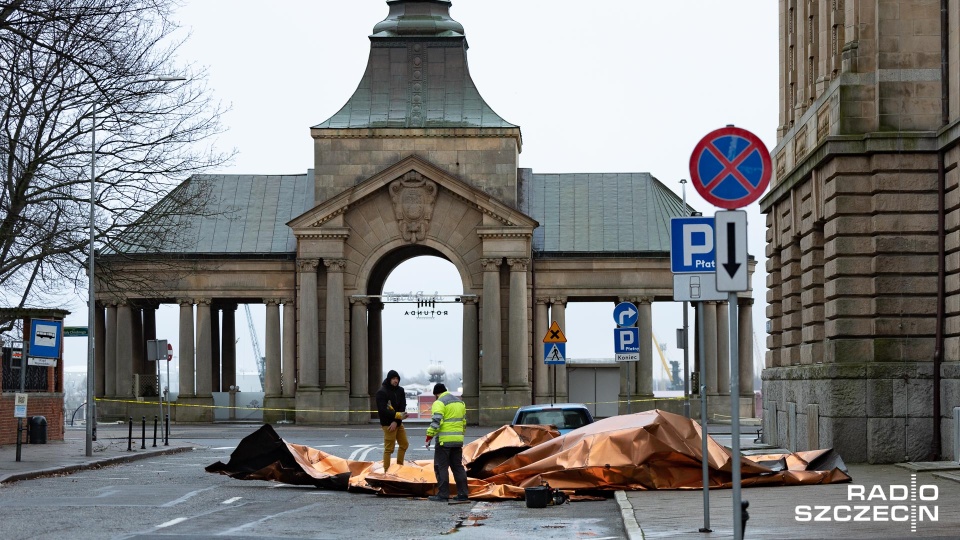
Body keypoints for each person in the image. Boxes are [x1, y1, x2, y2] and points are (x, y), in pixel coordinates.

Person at [425, 383, 469, 503]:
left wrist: (429, 437)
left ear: (436, 394)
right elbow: (464, 422)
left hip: (444, 441)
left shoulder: (439, 402)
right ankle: (463, 494)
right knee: (458, 467)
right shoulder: (460, 402)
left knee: (441, 467)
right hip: (458, 440)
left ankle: (443, 494)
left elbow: (436, 421)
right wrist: (460, 436)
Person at [375, 369, 409, 471]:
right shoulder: (382, 392)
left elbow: (402, 407)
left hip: (397, 423)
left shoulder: (400, 390)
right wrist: (396, 417)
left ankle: (399, 467)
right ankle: (386, 471)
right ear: (389, 379)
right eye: (393, 378)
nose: (396, 381)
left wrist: (396, 421)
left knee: (404, 444)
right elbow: (382, 411)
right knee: (389, 449)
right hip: (387, 424)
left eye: (397, 379)